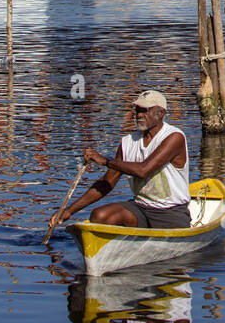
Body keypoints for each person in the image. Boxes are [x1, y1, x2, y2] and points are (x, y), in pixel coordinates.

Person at [50, 90, 192, 231]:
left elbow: (143, 170)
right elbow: (107, 182)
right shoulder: (127, 142)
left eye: (145, 110)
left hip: (170, 211)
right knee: (99, 216)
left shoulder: (174, 137)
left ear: (161, 113)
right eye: (137, 110)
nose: (139, 115)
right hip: (140, 207)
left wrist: (106, 161)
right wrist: (69, 211)